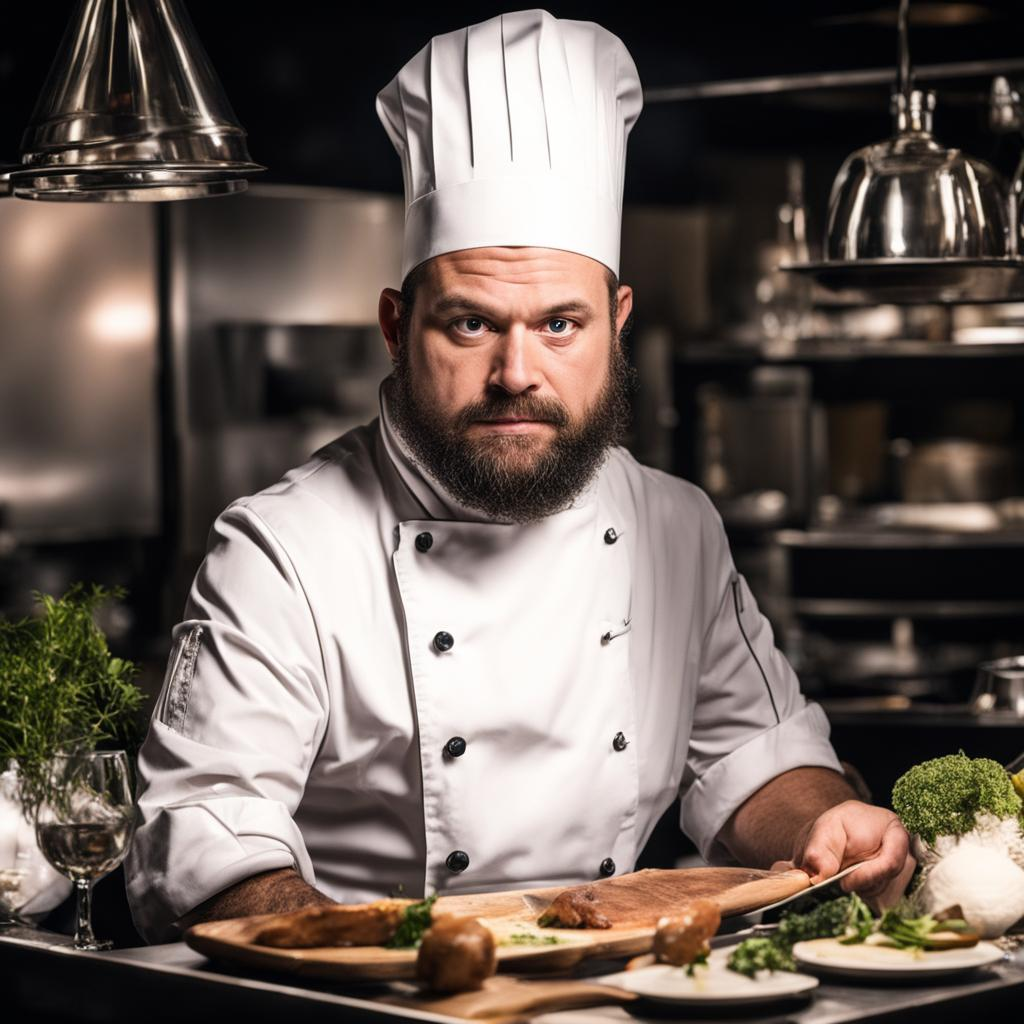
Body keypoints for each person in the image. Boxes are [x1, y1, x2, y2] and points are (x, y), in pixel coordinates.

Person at [124, 9, 913, 944]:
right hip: (371, 999)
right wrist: (376, 959)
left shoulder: (674, 525)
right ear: (395, 327)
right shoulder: (283, 550)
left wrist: (826, 821)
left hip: (620, 991)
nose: (516, 373)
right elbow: (206, 836)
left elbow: (754, 755)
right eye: (470, 324)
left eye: (560, 325)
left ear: (618, 324)